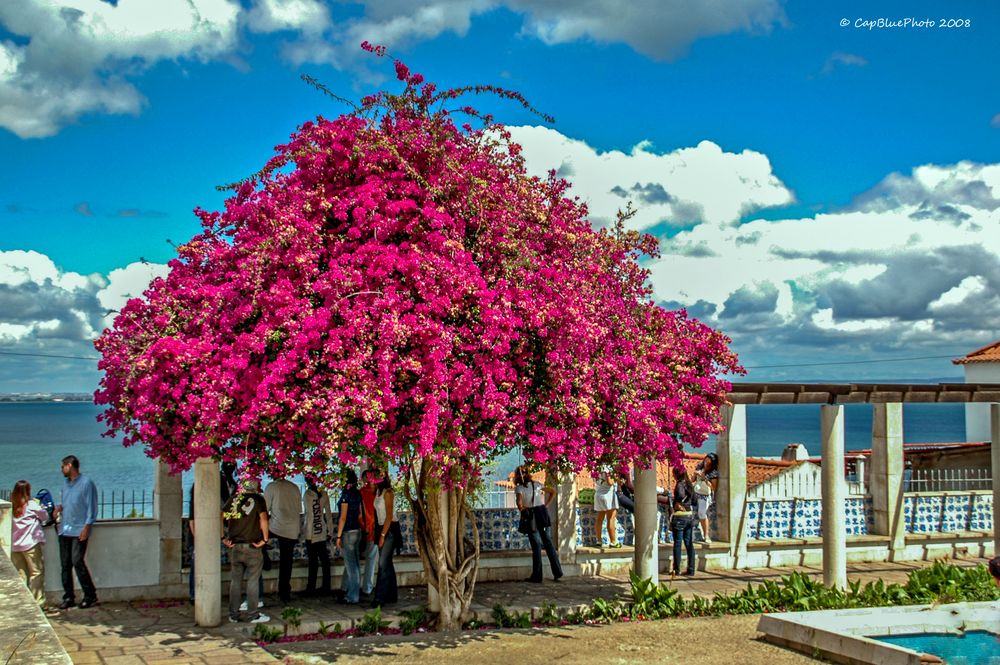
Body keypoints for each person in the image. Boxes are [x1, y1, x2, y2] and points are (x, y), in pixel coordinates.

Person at [54, 455, 98, 609]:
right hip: (64, 529)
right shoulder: (66, 484)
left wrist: (87, 527)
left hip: (79, 529)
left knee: (77, 561)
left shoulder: (86, 483)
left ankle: (90, 594)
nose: (61, 469)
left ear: (70, 465)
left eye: (63, 466)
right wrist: (58, 508)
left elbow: (92, 507)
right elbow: (65, 502)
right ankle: (68, 597)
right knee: (65, 564)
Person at [222, 478, 270, 623]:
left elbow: (221, 515)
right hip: (252, 546)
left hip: (236, 546)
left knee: (235, 581)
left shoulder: (233, 499)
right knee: (253, 580)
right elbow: (263, 519)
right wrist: (265, 539)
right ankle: (252, 614)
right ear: (255, 487)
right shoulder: (258, 499)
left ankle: (233, 614)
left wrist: (222, 537)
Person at [514, 465, 563, 583]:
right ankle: (557, 572)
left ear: (517, 476)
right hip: (542, 513)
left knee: (536, 546)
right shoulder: (536, 484)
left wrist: (523, 508)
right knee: (548, 544)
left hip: (532, 516)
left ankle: (537, 576)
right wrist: (545, 505)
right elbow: (553, 492)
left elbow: (519, 504)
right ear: (528, 474)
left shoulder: (519, 488)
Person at [9, 480, 49, 607]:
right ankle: (38, 602)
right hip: (31, 545)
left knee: (21, 575)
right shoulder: (31, 505)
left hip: (15, 545)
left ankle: (23, 603)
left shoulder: (12, 507)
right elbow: (45, 516)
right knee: (36, 573)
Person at [264, 475, 302, 604]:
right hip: (292, 528)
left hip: (276, 527)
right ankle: (284, 592)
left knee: (258, 538)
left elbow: (264, 510)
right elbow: (299, 509)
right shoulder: (295, 487)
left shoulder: (272, 487)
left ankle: (265, 559)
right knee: (287, 562)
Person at [370, 472, 401, 607]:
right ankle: (391, 594)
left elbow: (389, 516)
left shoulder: (388, 493)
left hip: (389, 530)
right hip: (381, 528)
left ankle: (380, 597)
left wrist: (383, 535)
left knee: (382, 564)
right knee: (387, 563)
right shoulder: (377, 493)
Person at [335, 469, 364, 604]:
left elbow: (343, 517)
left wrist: (338, 536)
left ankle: (353, 595)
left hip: (348, 532)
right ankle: (348, 590)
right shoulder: (357, 494)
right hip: (357, 530)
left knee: (351, 565)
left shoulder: (346, 495)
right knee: (355, 564)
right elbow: (359, 514)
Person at [302, 478, 333, 596]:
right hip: (321, 531)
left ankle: (311, 587)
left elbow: (306, 514)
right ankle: (326, 586)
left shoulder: (307, 495)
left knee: (313, 561)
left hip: (310, 532)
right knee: (325, 560)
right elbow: (328, 515)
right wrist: (330, 531)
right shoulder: (324, 494)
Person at [669, 465, 697, 577]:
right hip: (689, 517)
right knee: (689, 544)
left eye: (674, 474)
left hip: (680, 517)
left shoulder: (680, 484)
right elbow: (695, 501)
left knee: (678, 544)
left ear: (677, 474)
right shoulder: (690, 484)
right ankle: (691, 569)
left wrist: (677, 501)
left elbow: (680, 495)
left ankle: (676, 570)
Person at [359, 468, 379, 598]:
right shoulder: (377, 493)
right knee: (371, 560)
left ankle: (355, 587)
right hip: (374, 529)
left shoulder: (361, 493)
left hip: (363, 528)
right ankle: (367, 587)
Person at [592, 466, 620, 548]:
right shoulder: (607, 467)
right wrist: (616, 477)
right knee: (611, 518)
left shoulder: (595, 466)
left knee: (599, 519)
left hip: (598, 494)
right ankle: (613, 542)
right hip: (608, 495)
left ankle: (599, 541)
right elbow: (610, 482)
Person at [694, 452, 719, 545]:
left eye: (709, 460)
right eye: (706, 459)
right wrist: (695, 474)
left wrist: (704, 478)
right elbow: (693, 480)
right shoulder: (700, 466)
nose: (706, 461)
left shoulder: (713, 473)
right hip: (696, 492)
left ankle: (706, 535)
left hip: (705, 495)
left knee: (702, 513)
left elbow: (713, 487)